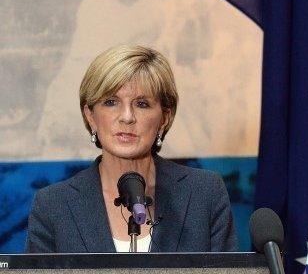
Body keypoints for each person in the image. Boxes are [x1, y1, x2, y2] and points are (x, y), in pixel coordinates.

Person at [26, 45, 238, 253]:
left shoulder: (204, 192)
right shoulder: (53, 205)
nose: (127, 117)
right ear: (90, 116)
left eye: (142, 104)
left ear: (164, 118)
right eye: (111, 102)